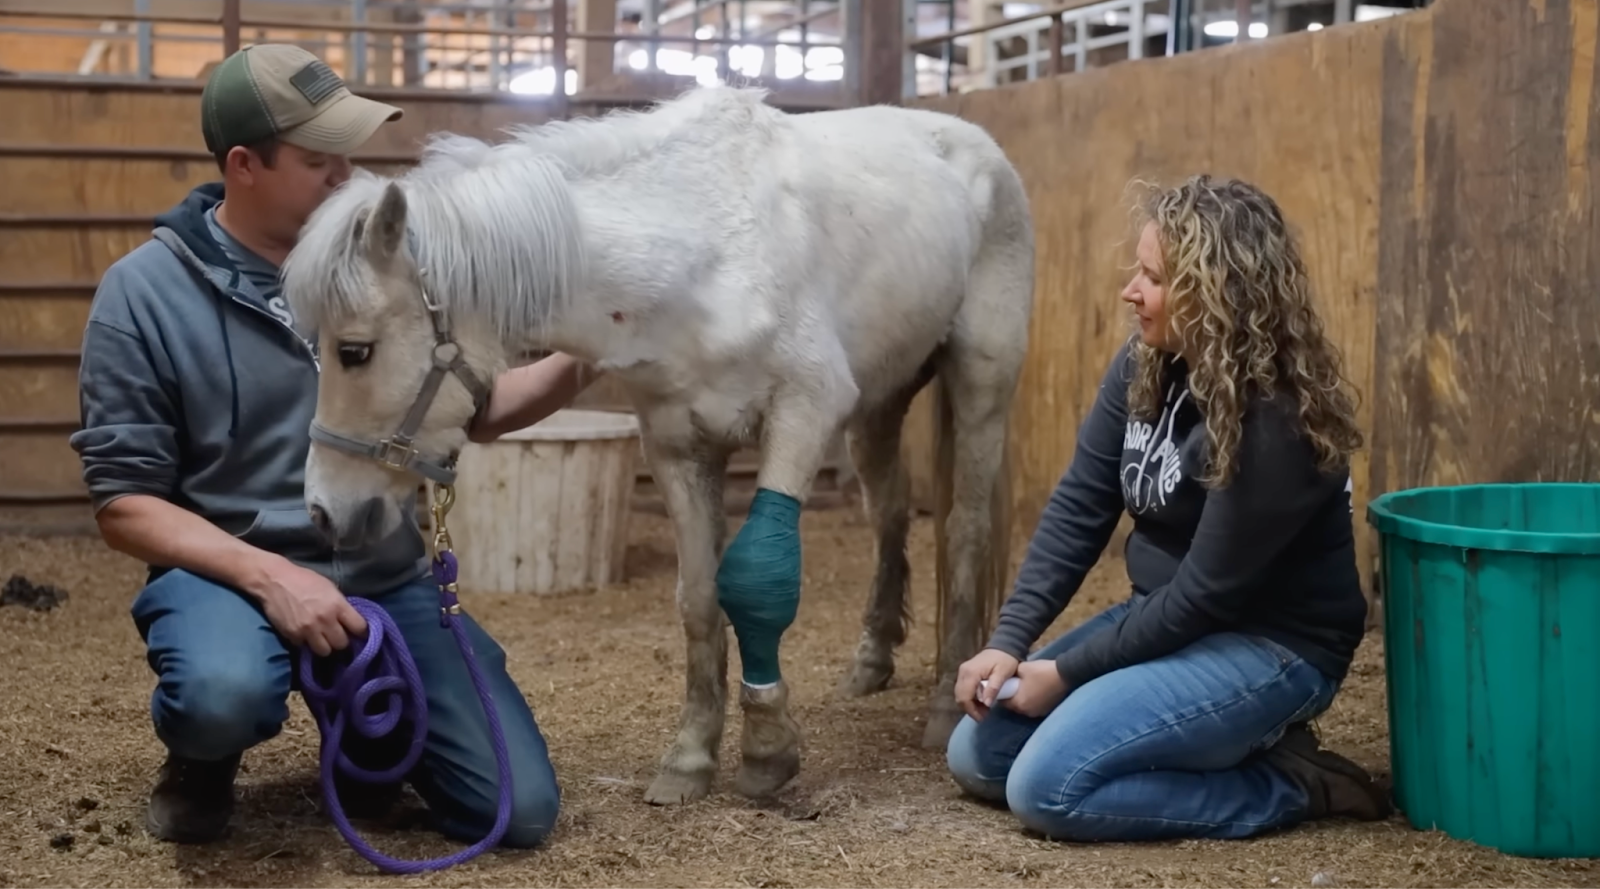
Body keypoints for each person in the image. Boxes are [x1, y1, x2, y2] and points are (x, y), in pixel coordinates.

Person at [70, 44, 597, 847]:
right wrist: (271, 574)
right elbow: (123, 504)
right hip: (232, 573)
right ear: (244, 164)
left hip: (386, 572)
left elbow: (475, 409)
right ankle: (202, 755)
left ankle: (372, 738)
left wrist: (589, 354)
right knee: (221, 692)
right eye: (318, 159)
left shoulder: (389, 263)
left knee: (518, 813)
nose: (344, 175)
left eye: (346, 154)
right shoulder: (143, 293)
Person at [945, 175, 1392, 842]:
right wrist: (1009, 641)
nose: (1131, 291)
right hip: (1168, 617)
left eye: (1151, 277)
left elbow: (1207, 595)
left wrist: (1066, 673)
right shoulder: (1146, 363)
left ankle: (1290, 783)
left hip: (1269, 645)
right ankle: (1225, 742)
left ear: (1215, 293)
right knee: (979, 755)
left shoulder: (1272, 417)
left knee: (1047, 788)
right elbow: (1080, 506)